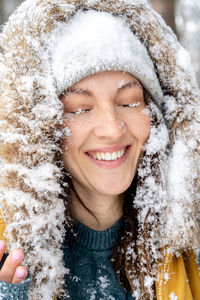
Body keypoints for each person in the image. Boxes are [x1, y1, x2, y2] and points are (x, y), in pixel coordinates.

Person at [0, 0, 199, 299]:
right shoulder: (8, 254)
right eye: (80, 109)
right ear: (38, 132)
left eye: (129, 102)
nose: (112, 128)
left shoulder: (192, 244)